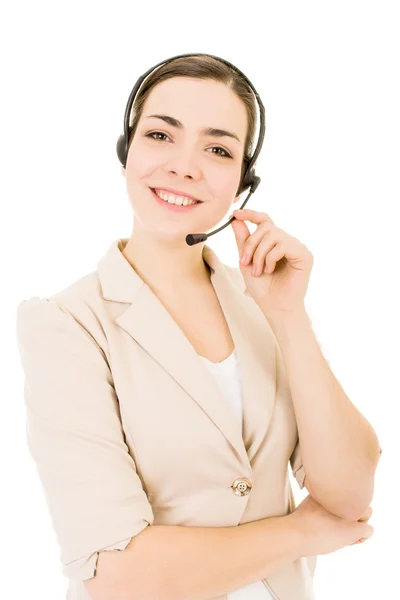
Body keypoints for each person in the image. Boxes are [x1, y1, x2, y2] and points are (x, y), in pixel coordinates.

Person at [16, 54, 376, 600]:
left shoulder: (262, 304)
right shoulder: (66, 323)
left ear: (241, 184)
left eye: (217, 149)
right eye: (161, 135)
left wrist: (288, 316)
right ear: (126, 155)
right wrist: (301, 531)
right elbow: (118, 575)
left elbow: (350, 496)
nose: (185, 167)